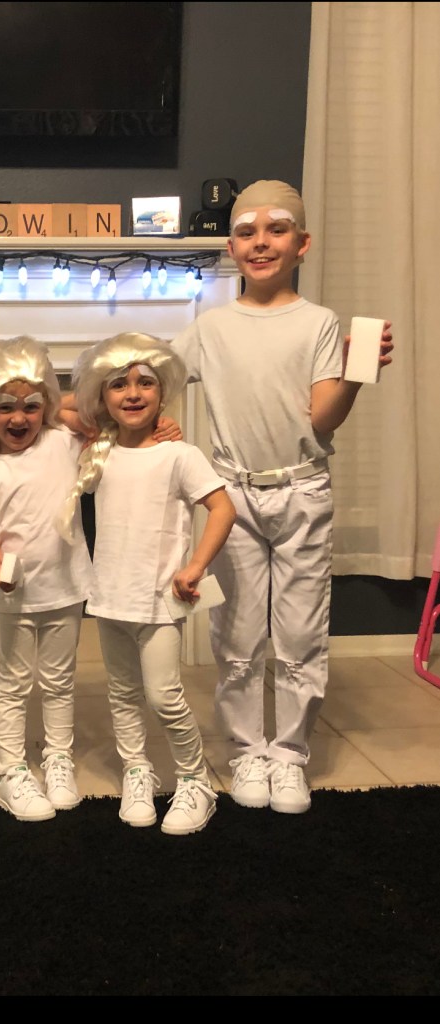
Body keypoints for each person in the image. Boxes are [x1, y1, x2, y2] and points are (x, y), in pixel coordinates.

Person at [172, 179, 394, 814]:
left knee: (300, 632)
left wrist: (356, 375)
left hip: (301, 493)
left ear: (302, 243)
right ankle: (247, 751)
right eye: (246, 232)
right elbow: (154, 378)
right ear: (231, 248)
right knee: (237, 632)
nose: (260, 242)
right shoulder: (210, 327)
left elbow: (322, 419)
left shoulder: (319, 323)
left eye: (276, 229)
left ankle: (290, 753)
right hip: (232, 501)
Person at [58, 332, 236, 835]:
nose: (133, 393)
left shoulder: (179, 454)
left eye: (145, 383)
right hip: (110, 596)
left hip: (160, 600)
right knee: (122, 694)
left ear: (163, 392)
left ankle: (194, 779)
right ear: (101, 395)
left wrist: (195, 566)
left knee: (163, 695)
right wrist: (93, 397)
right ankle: (136, 771)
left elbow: (223, 508)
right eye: (118, 384)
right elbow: (56, 408)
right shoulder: (99, 447)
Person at [0, 336, 95, 822]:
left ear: (47, 408)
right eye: (5, 407)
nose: (18, 418)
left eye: (31, 407)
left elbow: (94, 408)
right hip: (14, 593)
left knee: (59, 680)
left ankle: (58, 758)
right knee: (14, 682)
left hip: (64, 587)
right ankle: (11, 767)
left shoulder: (63, 442)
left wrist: (53, 402)